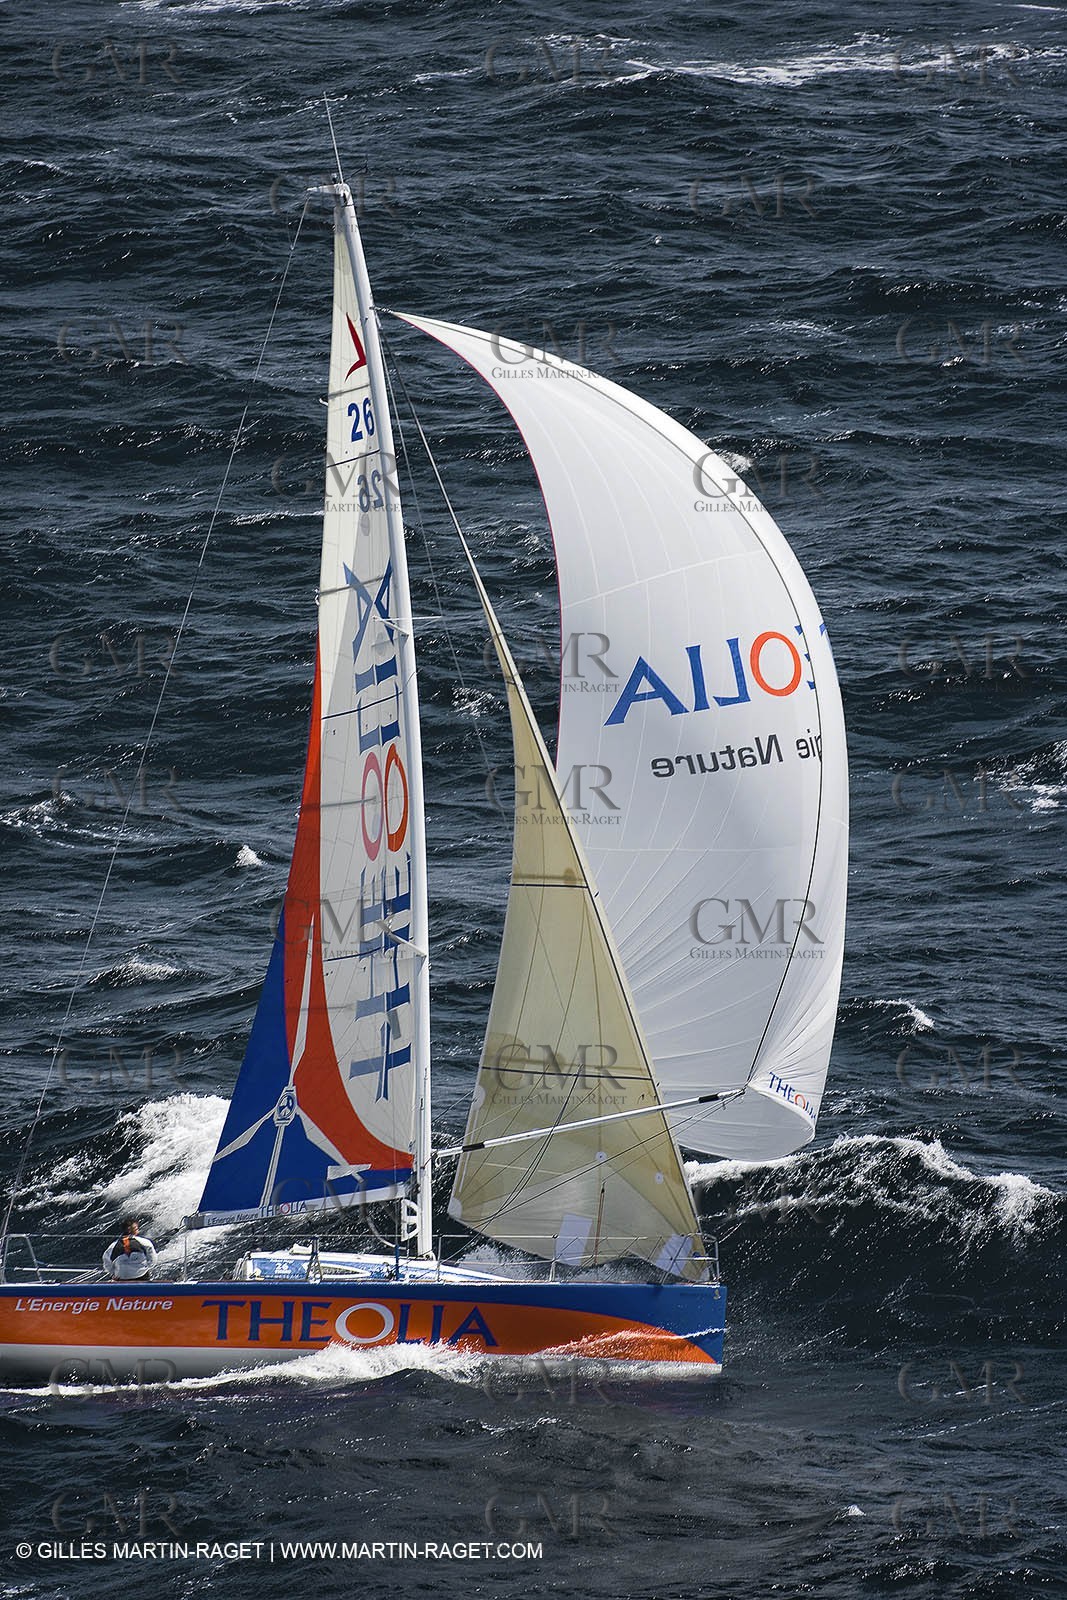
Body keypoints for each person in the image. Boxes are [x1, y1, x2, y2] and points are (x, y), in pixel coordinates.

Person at [102, 1217, 158, 1281]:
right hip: (141, 1275)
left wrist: (113, 1273)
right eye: (136, 1229)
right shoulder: (145, 1242)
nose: (138, 1230)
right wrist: (145, 1267)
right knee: (147, 1272)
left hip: (121, 1277)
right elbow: (153, 1261)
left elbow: (107, 1263)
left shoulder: (112, 1246)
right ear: (130, 1230)